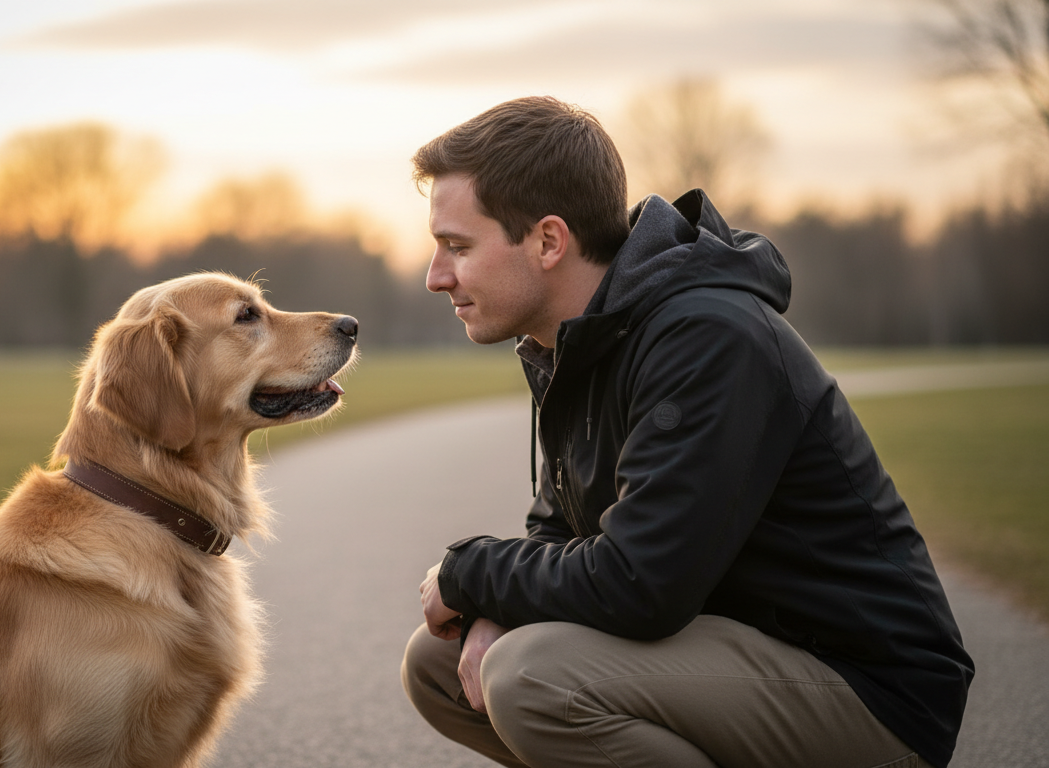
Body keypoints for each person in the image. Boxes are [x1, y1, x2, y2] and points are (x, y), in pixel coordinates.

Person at [400, 96, 973, 768]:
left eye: (457, 247)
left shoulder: (706, 337)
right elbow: (561, 529)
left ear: (549, 241)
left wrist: (471, 572)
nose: (437, 277)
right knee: (439, 664)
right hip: (727, 652)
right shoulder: (574, 343)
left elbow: (640, 586)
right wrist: (495, 602)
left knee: (529, 674)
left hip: (866, 690)